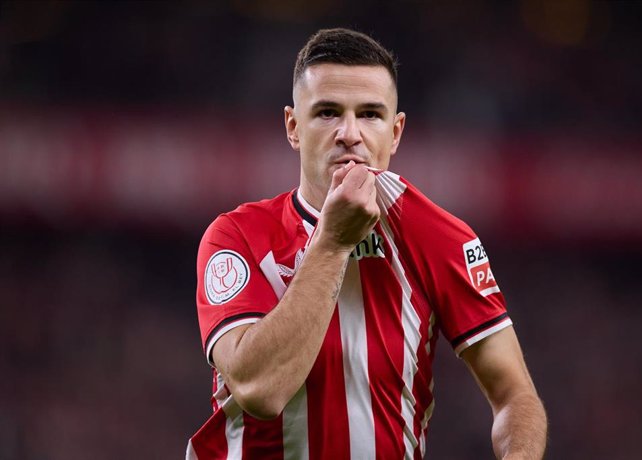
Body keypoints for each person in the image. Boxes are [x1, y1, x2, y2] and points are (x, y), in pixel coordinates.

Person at [187, 28, 547, 459]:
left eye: (371, 114)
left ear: (395, 133)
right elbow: (259, 389)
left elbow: (515, 395)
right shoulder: (236, 237)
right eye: (327, 112)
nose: (349, 133)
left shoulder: (437, 237)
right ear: (293, 127)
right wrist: (334, 242)